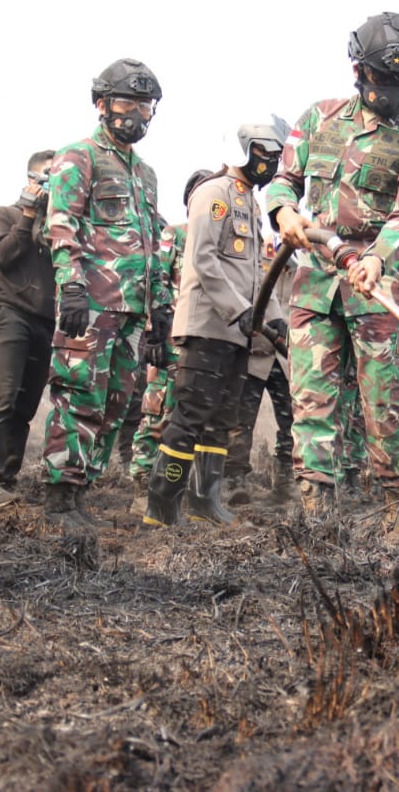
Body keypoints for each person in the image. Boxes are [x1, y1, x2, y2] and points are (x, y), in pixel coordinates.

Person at [266, 11, 399, 533]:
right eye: (384, 80)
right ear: (359, 71)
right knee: (312, 399)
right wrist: (284, 212)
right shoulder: (319, 118)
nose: (393, 91)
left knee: (385, 403)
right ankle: (318, 512)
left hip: (379, 287)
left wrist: (375, 256)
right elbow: (283, 179)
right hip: (315, 283)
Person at [40, 58, 170, 527]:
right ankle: (59, 496)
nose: (137, 113)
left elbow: (152, 244)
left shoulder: (146, 174)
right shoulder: (79, 156)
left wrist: (162, 311)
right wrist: (71, 285)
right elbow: (62, 225)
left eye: (146, 105)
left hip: (132, 311)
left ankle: (82, 491)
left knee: (115, 404)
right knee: (79, 397)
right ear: (102, 104)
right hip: (91, 306)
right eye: (127, 102)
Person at [142, 117, 288, 528]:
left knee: (223, 420)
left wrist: (274, 319)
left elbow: (259, 272)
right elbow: (202, 258)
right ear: (243, 149)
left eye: (276, 156)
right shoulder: (213, 194)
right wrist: (237, 310)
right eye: (265, 154)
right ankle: (162, 502)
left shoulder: (250, 203)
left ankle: (204, 500)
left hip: (239, 334)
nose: (271, 163)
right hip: (208, 326)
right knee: (190, 415)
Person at [0, 150, 56, 510]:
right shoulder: (3, 215)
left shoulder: (61, 231)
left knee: (24, 406)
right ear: (31, 180)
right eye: (47, 178)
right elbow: (4, 257)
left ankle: (7, 479)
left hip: (44, 323)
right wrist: (27, 216)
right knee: (2, 398)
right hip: (8, 314)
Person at [128, 169, 209, 490]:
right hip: (173, 343)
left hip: (209, 348)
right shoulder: (175, 235)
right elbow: (155, 280)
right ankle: (143, 484)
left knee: (198, 422)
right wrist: (153, 333)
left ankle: (183, 488)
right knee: (158, 415)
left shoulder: (227, 245)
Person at [225, 233, 295, 503]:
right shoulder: (259, 256)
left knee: (291, 421)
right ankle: (234, 480)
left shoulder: (303, 269)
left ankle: (286, 481)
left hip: (285, 360)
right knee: (241, 422)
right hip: (253, 355)